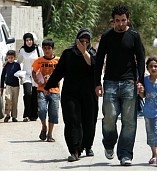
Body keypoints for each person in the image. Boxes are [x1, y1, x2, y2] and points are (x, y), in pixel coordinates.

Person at [94, 5, 145, 166]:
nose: (121, 24)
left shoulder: (134, 36)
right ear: (113, 21)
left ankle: (125, 154)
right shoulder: (107, 37)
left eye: (123, 20)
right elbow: (99, 60)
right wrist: (97, 83)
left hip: (129, 82)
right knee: (109, 117)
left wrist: (140, 81)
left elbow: (141, 59)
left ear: (127, 19)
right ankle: (109, 143)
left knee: (129, 121)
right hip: (110, 83)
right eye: (117, 21)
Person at [44, 28, 98, 161]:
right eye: (81, 41)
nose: (84, 43)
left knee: (89, 121)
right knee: (72, 120)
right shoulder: (68, 53)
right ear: (76, 40)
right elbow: (59, 72)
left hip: (89, 94)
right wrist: (48, 86)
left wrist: (84, 52)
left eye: (86, 41)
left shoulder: (92, 53)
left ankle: (87, 145)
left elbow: (94, 67)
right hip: (71, 93)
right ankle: (74, 150)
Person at [32, 38, 60, 142]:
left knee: (53, 113)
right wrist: (36, 80)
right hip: (41, 90)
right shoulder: (39, 61)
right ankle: (44, 126)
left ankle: (50, 134)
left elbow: (63, 72)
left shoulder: (58, 61)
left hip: (55, 90)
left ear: (53, 49)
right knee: (42, 110)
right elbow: (34, 72)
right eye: (45, 48)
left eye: (49, 48)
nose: (47, 50)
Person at [17, 32, 44, 122]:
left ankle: (34, 115)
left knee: (35, 95)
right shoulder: (22, 50)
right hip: (26, 75)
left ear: (33, 40)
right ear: (24, 41)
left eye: (30, 40)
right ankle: (26, 115)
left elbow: (42, 60)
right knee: (28, 93)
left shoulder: (38, 49)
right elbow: (18, 62)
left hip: (36, 75)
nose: (29, 42)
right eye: (27, 40)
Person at [0, 50, 21, 122]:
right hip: (8, 85)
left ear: (14, 57)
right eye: (9, 58)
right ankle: (7, 114)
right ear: (7, 58)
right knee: (8, 99)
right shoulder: (6, 65)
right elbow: (2, 76)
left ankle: (14, 116)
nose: (10, 59)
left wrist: (21, 77)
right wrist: (2, 86)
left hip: (16, 86)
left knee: (15, 101)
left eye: (12, 57)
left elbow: (20, 73)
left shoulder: (17, 65)